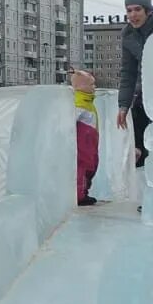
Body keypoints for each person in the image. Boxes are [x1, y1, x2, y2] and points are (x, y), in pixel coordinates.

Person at [117, 0, 153, 169]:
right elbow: (128, 73)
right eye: (129, 10)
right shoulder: (128, 35)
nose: (132, 15)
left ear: (148, 11)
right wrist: (123, 105)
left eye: (137, 10)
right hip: (146, 90)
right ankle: (138, 159)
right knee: (137, 121)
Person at [71, 68, 100, 206]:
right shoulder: (79, 103)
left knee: (91, 166)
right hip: (83, 144)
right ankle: (79, 195)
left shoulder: (88, 102)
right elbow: (70, 121)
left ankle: (84, 191)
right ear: (79, 87)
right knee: (82, 168)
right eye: (91, 84)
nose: (94, 87)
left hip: (91, 142)